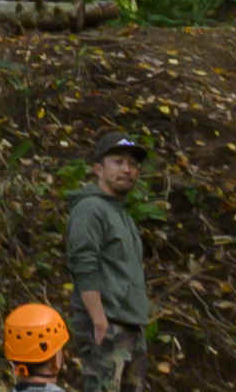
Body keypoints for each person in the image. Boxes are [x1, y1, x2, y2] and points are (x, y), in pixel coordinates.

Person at [64, 138, 157, 390]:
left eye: (133, 164)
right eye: (118, 162)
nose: (127, 170)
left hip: (130, 326)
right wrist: (98, 319)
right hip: (106, 325)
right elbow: (83, 263)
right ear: (98, 168)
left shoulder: (121, 214)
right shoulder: (90, 209)